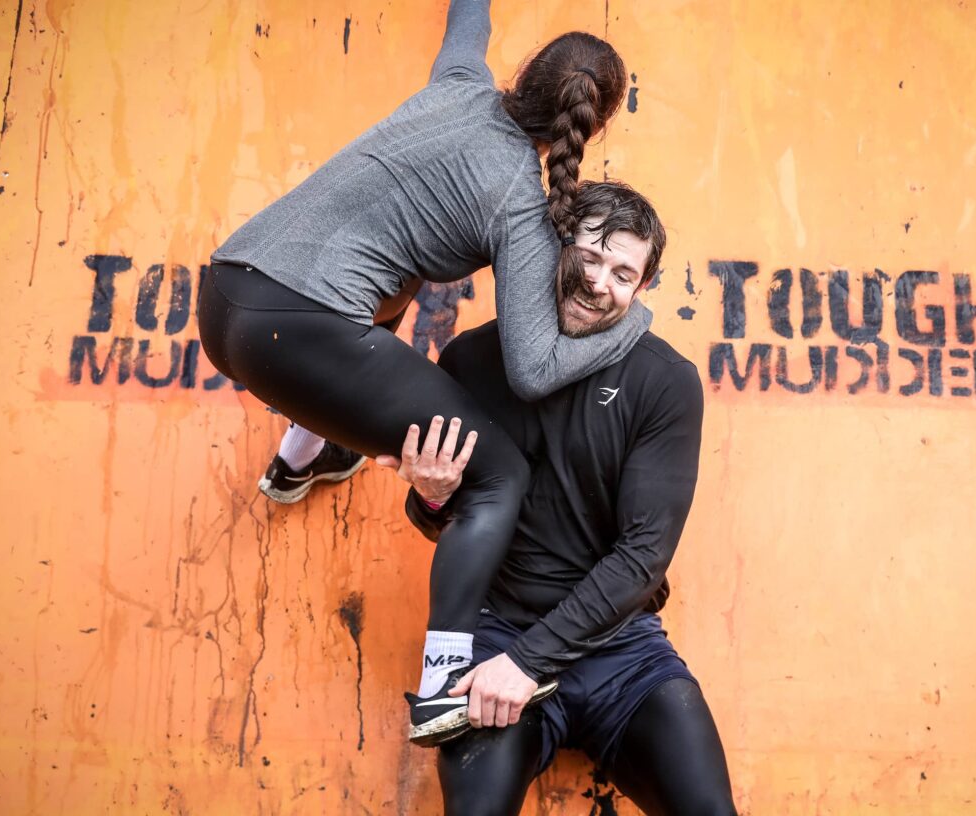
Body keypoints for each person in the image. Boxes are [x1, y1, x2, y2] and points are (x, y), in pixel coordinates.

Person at [197, 0, 647, 745]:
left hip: (227, 295)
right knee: (496, 474)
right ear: (591, 130)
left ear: (523, 72)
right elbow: (534, 369)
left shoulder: (460, 82)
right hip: (301, 335)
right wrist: (635, 320)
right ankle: (444, 684)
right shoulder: (520, 204)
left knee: (387, 287)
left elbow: (467, 18)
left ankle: (300, 459)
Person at [391, 182, 737, 815]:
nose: (600, 281)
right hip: (497, 632)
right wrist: (431, 496)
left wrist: (527, 664)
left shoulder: (664, 382)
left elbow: (642, 557)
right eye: (591, 255)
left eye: (623, 272)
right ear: (556, 246)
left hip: (621, 649)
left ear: (642, 289)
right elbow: (443, 519)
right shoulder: (471, 360)